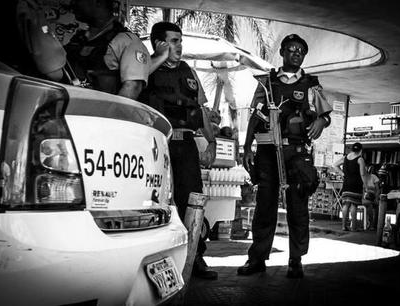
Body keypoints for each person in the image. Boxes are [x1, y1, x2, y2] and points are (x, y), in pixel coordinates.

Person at [238, 34, 332, 278]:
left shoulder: (311, 84)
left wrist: (321, 121)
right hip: (268, 151)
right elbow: (254, 116)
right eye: (291, 49)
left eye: (301, 50)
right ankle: (257, 259)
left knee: (297, 207)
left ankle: (296, 259)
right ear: (281, 52)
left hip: (298, 152)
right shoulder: (267, 82)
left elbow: (325, 114)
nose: (296, 52)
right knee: (264, 206)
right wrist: (247, 148)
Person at [138, 22, 218, 280]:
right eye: (172, 41)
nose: (179, 46)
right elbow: (134, 86)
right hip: (155, 145)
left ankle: (196, 257)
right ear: (158, 43)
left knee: (192, 199)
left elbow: (201, 109)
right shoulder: (145, 66)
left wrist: (211, 141)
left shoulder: (188, 71)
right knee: (156, 201)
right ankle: (152, 258)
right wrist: (158, 58)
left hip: (185, 145)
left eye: (180, 40)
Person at [18, 0, 163, 100]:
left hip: (97, 121)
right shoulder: (80, 38)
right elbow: (59, 72)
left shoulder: (126, 41)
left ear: (98, 2)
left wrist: (107, 121)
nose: (73, 3)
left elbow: (132, 87)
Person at [333, 142, 367, 231]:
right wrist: (366, 186)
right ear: (361, 150)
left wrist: (342, 174)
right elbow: (363, 174)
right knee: (354, 205)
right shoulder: (360, 159)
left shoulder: (345, 158)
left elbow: (335, 165)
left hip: (346, 183)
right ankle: (354, 227)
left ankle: (344, 226)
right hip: (356, 184)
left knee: (346, 204)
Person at [363, 165, 380, 230]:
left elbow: (378, 189)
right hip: (365, 197)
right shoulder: (362, 177)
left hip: (373, 196)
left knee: (377, 206)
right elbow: (362, 190)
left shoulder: (374, 177)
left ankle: (376, 224)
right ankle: (372, 224)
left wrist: (376, 198)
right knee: (369, 205)